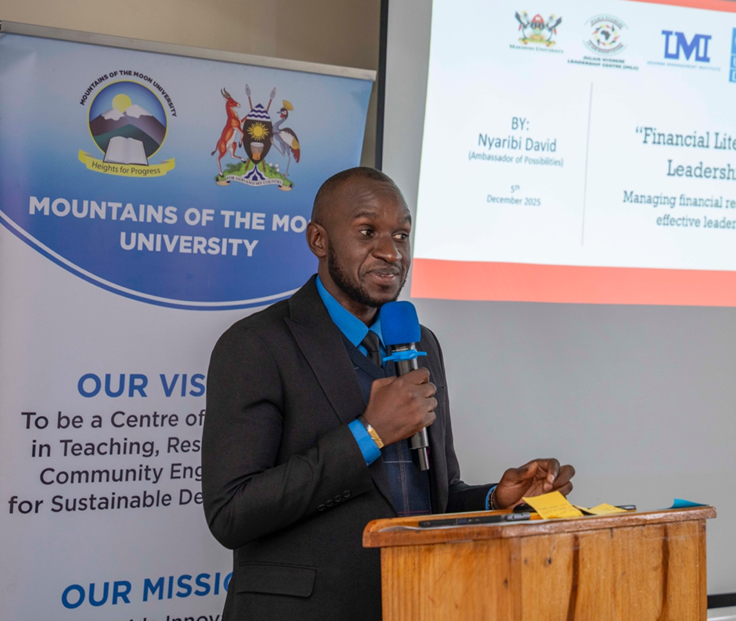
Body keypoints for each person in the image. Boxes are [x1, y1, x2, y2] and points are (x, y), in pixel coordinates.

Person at [202, 166, 575, 620]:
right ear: (319, 241)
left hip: (418, 601)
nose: (390, 252)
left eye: (402, 235)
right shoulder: (257, 344)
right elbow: (232, 513)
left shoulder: (420, 343)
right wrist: (369, 434)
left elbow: (431, 496)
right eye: (367, 232)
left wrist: (495, 500)